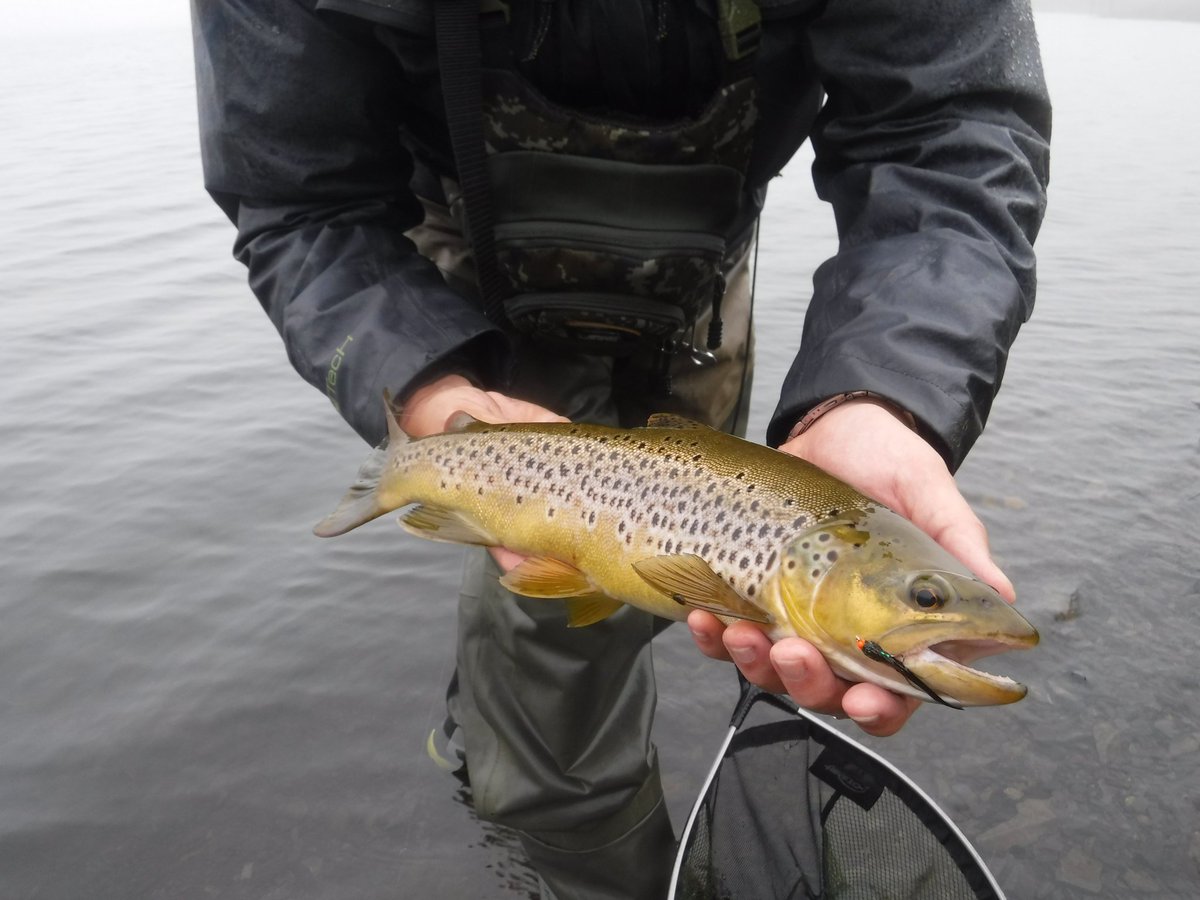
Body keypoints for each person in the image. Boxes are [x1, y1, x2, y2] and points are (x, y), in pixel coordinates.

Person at [192, 1, 1050, 897]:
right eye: (923, 593)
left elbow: (949, 129)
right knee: (539, 614)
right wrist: (420, 380)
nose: (940, 605)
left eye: (921, 593)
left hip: (696, 263)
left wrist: (887, 394)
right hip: (457, 259)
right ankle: (542, 800)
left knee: (612, 589)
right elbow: (300, 200)